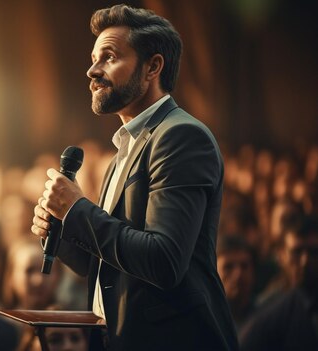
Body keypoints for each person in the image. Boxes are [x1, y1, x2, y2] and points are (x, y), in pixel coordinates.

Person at [30, 4, 238, 350]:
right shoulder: (124, 149)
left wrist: (79, 210)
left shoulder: (181, 136)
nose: (91, 70)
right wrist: (64, 230)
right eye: (93, 59)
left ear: (152, 67)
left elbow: (163, 260)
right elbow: (114, 265)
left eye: (108, 57)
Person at [239, 214, 318, 350]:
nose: (305, 261)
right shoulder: (268, 317)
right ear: (281, 255)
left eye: (313, 252)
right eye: (296, 252)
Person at [216, 235, 257, 331]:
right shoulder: (205, 321)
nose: (238, 274)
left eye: (244, 266)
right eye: (228, 267)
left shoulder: (266, 317)